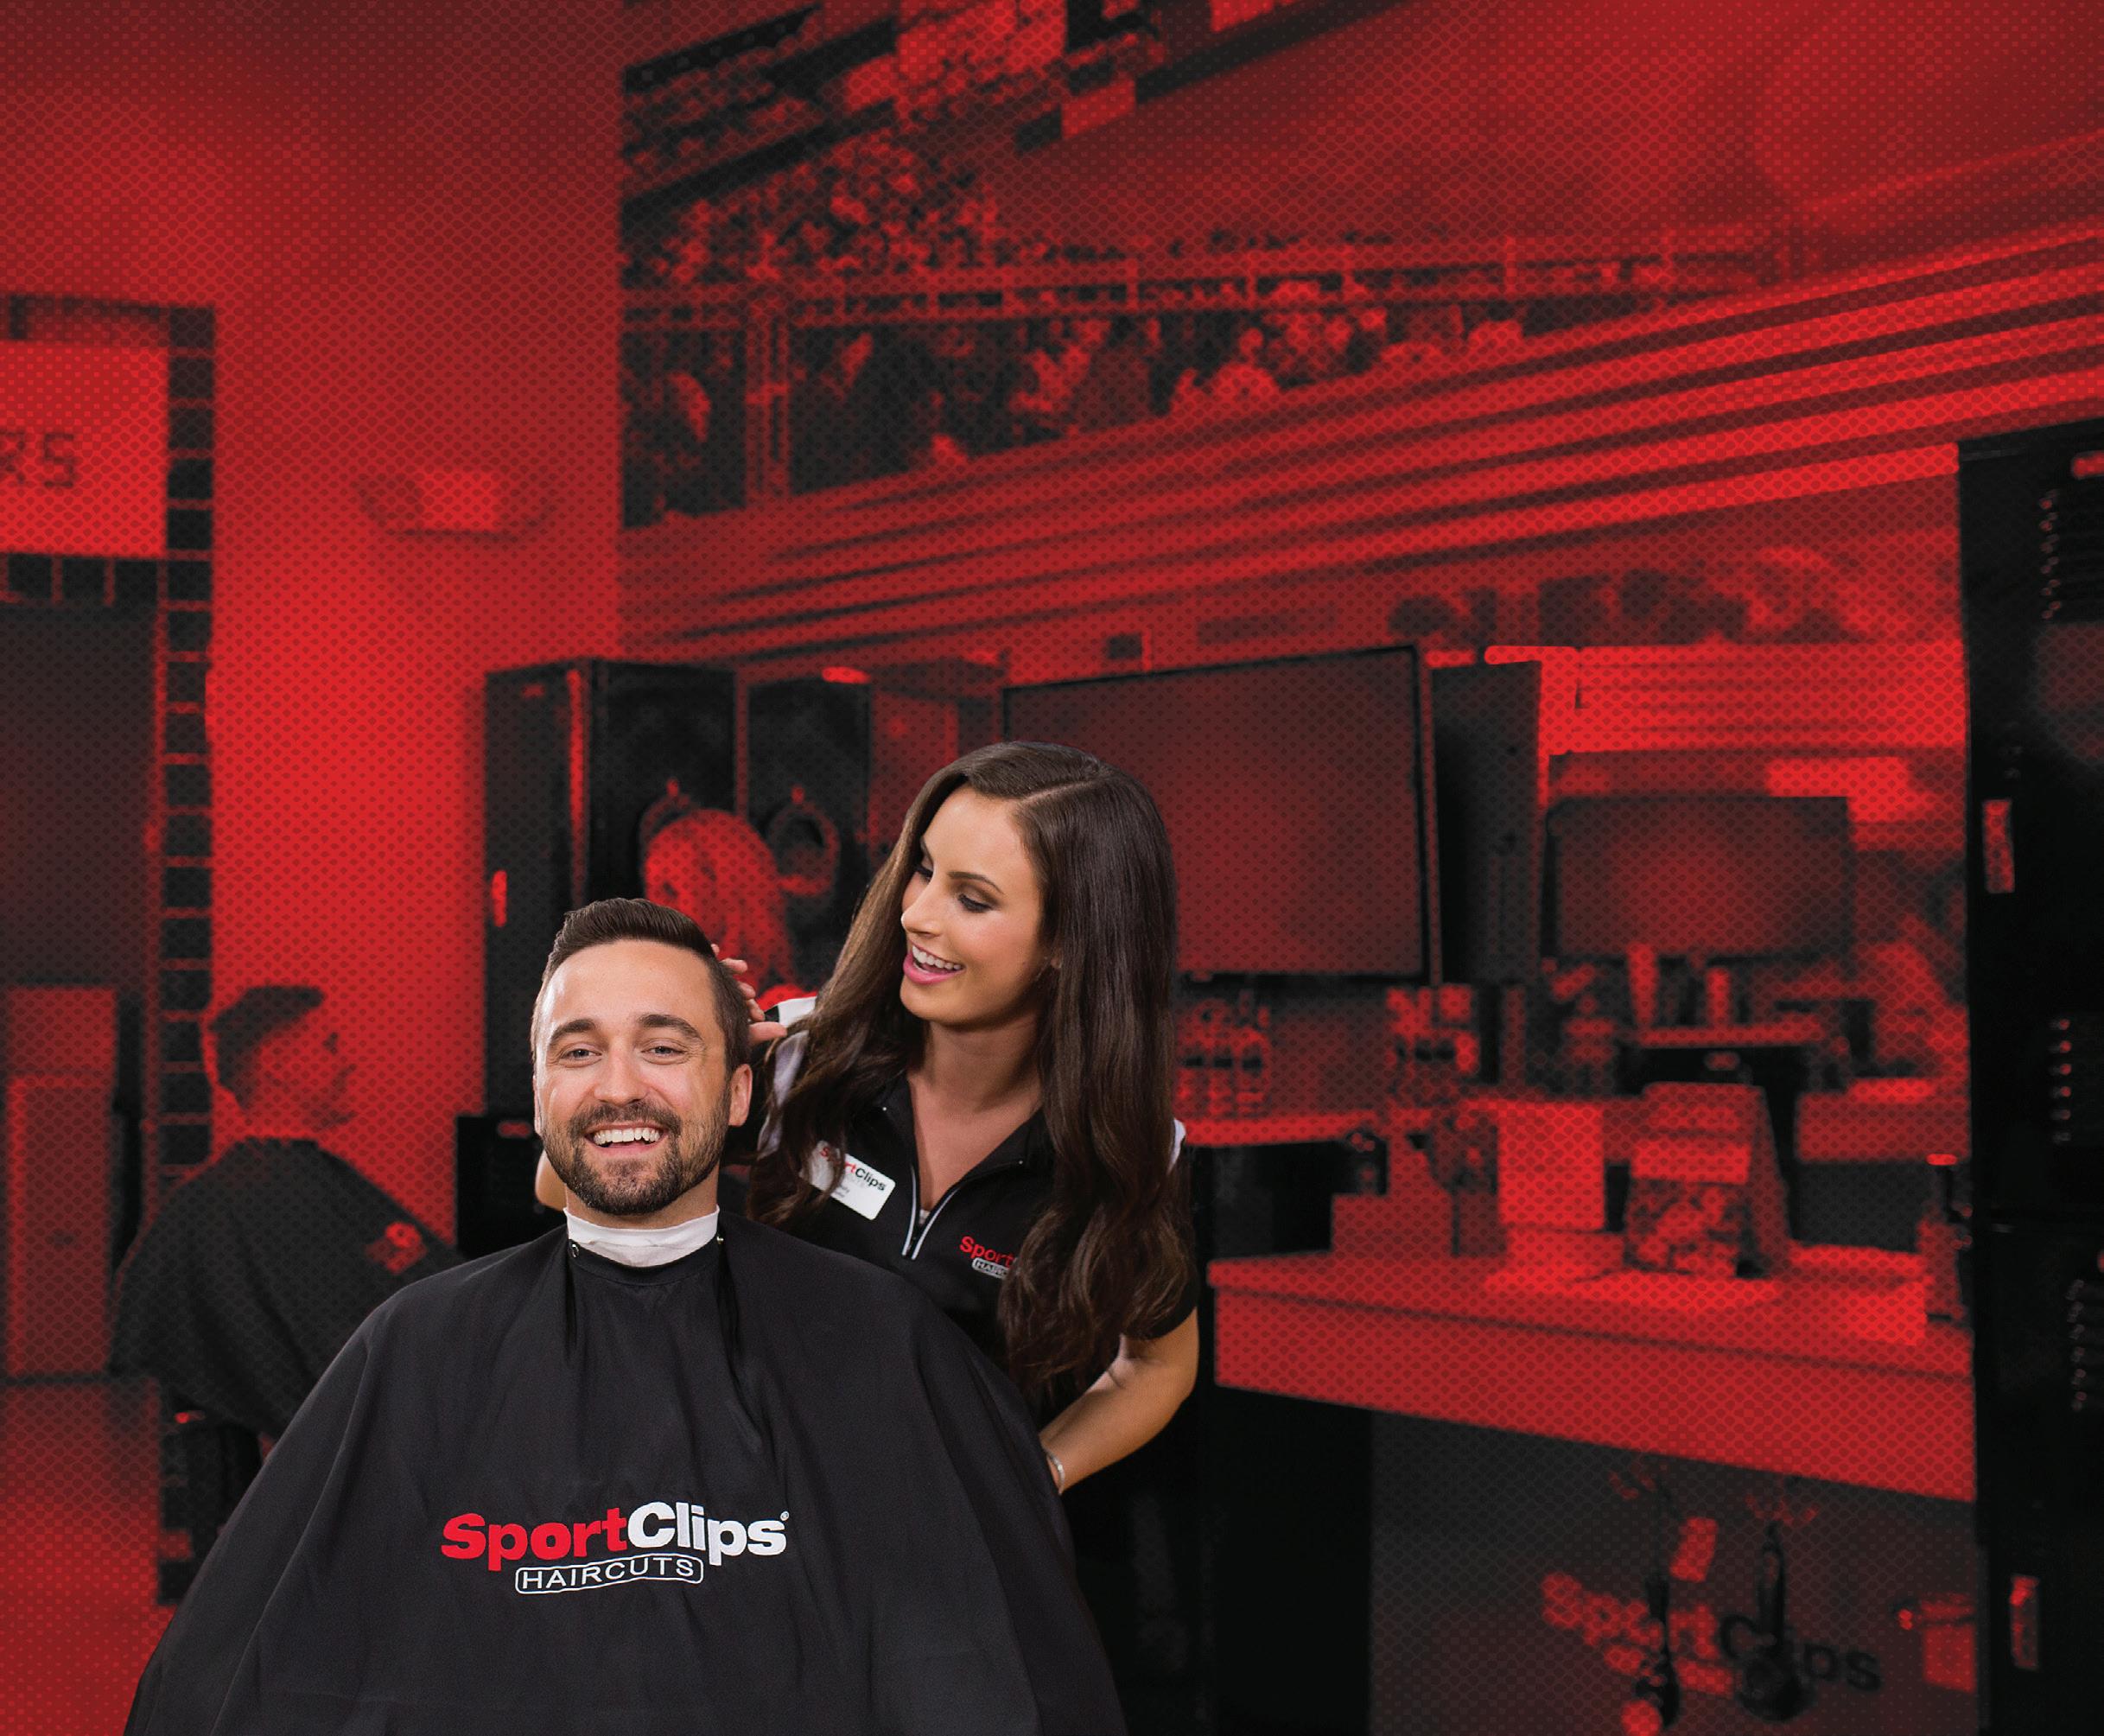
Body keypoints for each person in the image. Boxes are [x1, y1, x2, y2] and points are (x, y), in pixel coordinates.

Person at [125, 900, 1126, 1736]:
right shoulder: (415, 1343)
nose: (617, 1086)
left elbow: (990, 1672)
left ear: (738, 1091)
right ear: (540, 1094)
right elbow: (234, 1681)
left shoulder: (875, 1335)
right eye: (578, 1049)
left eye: (663, 1045)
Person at [732, 743, 1201, 1717]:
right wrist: (664, 1057)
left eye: (973, 898)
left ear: (1070, 940)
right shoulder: (799, 1060)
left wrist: (1030, 1474)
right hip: (746, 1556)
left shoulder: (1124, 1150)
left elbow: (1157, 1365)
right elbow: (566, 1190)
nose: (917, 913)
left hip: (950, 1596)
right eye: (923, 869)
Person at [111, 985, 458, 1446]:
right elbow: (318, 1351)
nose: (347, 1064)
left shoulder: (309, 1181)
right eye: (328, 1046)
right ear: (278, 1064)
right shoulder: (239, 1200)